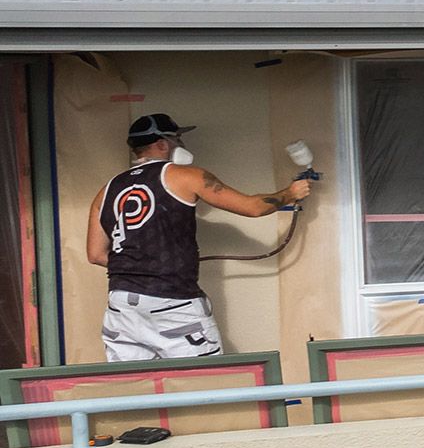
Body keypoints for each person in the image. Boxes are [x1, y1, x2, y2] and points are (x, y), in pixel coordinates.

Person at [86, 113, 313, 361]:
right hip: (173, 302)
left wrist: (140, 265)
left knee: (135, 390)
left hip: (122, 310)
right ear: (162, 144)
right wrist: (291, 193)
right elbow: (252, 207)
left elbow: (96, 254)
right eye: (178, 140)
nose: (181, 146)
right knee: (204, 383)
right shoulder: (186, 176)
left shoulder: (107, 190)